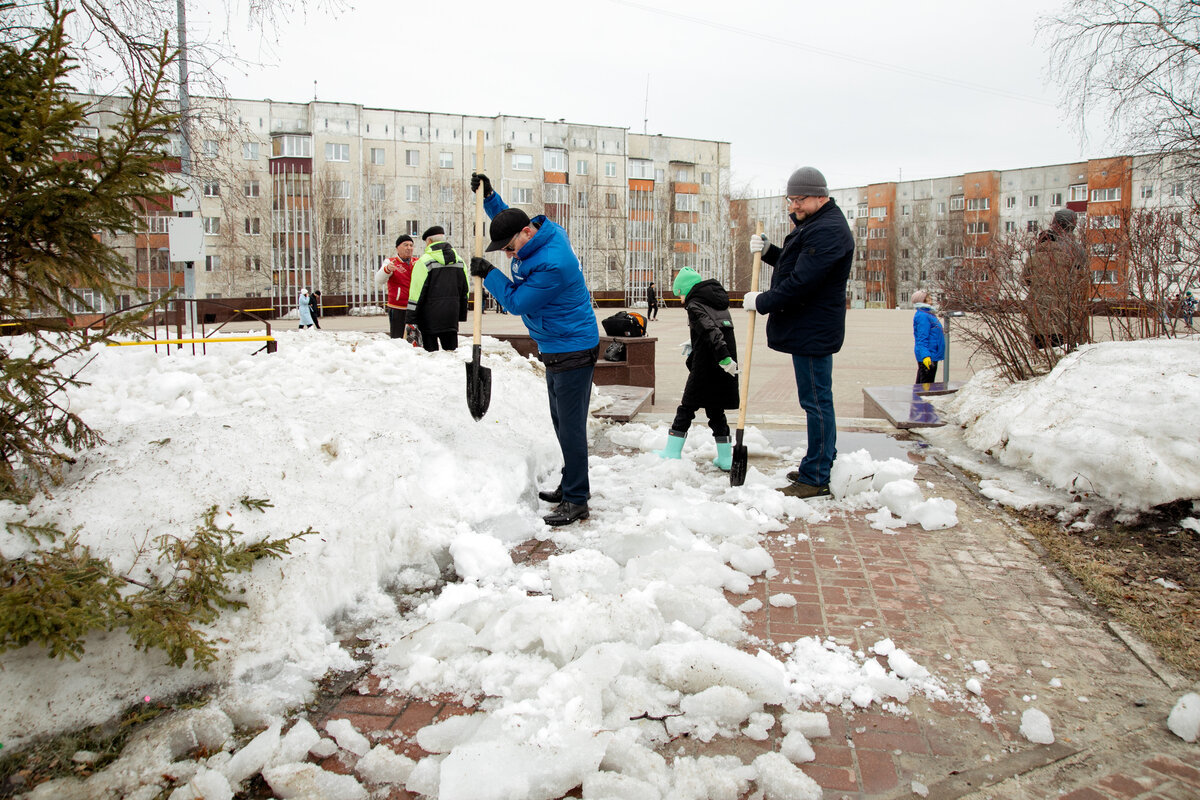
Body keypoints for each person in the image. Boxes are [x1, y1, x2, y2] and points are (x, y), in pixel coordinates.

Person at [469, 171, 598, 527]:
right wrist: (491, 197)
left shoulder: (554, 263)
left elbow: (516, 302)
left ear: (528, 234)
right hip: (558, 345)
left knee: (571, 428)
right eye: (505, 250)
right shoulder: (534, 231)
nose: (509, 254)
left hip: (572, 348)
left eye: (510, 248)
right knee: (562, 425)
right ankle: (572, 484)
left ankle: (577, 499)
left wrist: (488, 274)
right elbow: (509, 218)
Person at [743, 166, 853, 499]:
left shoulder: (827, 230)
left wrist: (760, 301)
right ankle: (818, 464)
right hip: (810, 327)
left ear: (821, 195)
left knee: (816, 402)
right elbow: (798, 266)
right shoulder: (818, 225)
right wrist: (769, 251)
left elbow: (802, 283)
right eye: (790, 200)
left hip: (813, 329)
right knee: (817, 401)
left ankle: (817, 476)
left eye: (800, 199)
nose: (794, 206)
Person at [657, 267, 739, 470]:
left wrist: (724, 357)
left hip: (707, 366)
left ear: (687, 289)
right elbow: (714, 329)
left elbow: (711, 331)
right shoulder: (717, 302)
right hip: (719, 365)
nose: (681, 299)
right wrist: (695, 341)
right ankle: (726, 458)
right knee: (716, 410)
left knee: (686, 407)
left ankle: (672, 452)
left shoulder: (695, 305)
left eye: (680, 293)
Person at [1024, 208, 1089, 349]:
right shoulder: (1076, 249)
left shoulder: (1041, 247)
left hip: (1039, 312)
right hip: (1065, 312)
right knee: (1064, 353)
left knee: (1042, 353)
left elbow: (1028, 279)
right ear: (1072, 223)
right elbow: (1080, 280)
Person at [407, 225, 470, 352]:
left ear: (429, 241)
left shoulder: (424, 261)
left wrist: (410, 318)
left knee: (431, 356)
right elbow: (465, 290)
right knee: (451, 353)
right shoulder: (459, 261)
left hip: (428, 318)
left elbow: (416, 292)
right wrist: (461, 313)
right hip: (451, 317)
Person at [376, 235, 416, 339]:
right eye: (405, 245)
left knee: (414, 338)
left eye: (411, 245)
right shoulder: (390, 262)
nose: (409, 248)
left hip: (415, 306)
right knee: (397, 337)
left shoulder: (417, 262)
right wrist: (387, 269)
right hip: (397, 307)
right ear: (397, 247)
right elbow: (379, 280)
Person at [911, 290, 945, 384]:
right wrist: (925, 356)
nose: (930, 298)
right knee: (926, 385)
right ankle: (920, 399)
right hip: (928, 355)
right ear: (922, 300)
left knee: (923, 383)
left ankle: (917, 398)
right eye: (927, 297)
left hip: (932, 353)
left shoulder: (928, 313)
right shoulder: (923, 316)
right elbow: (921, 338)